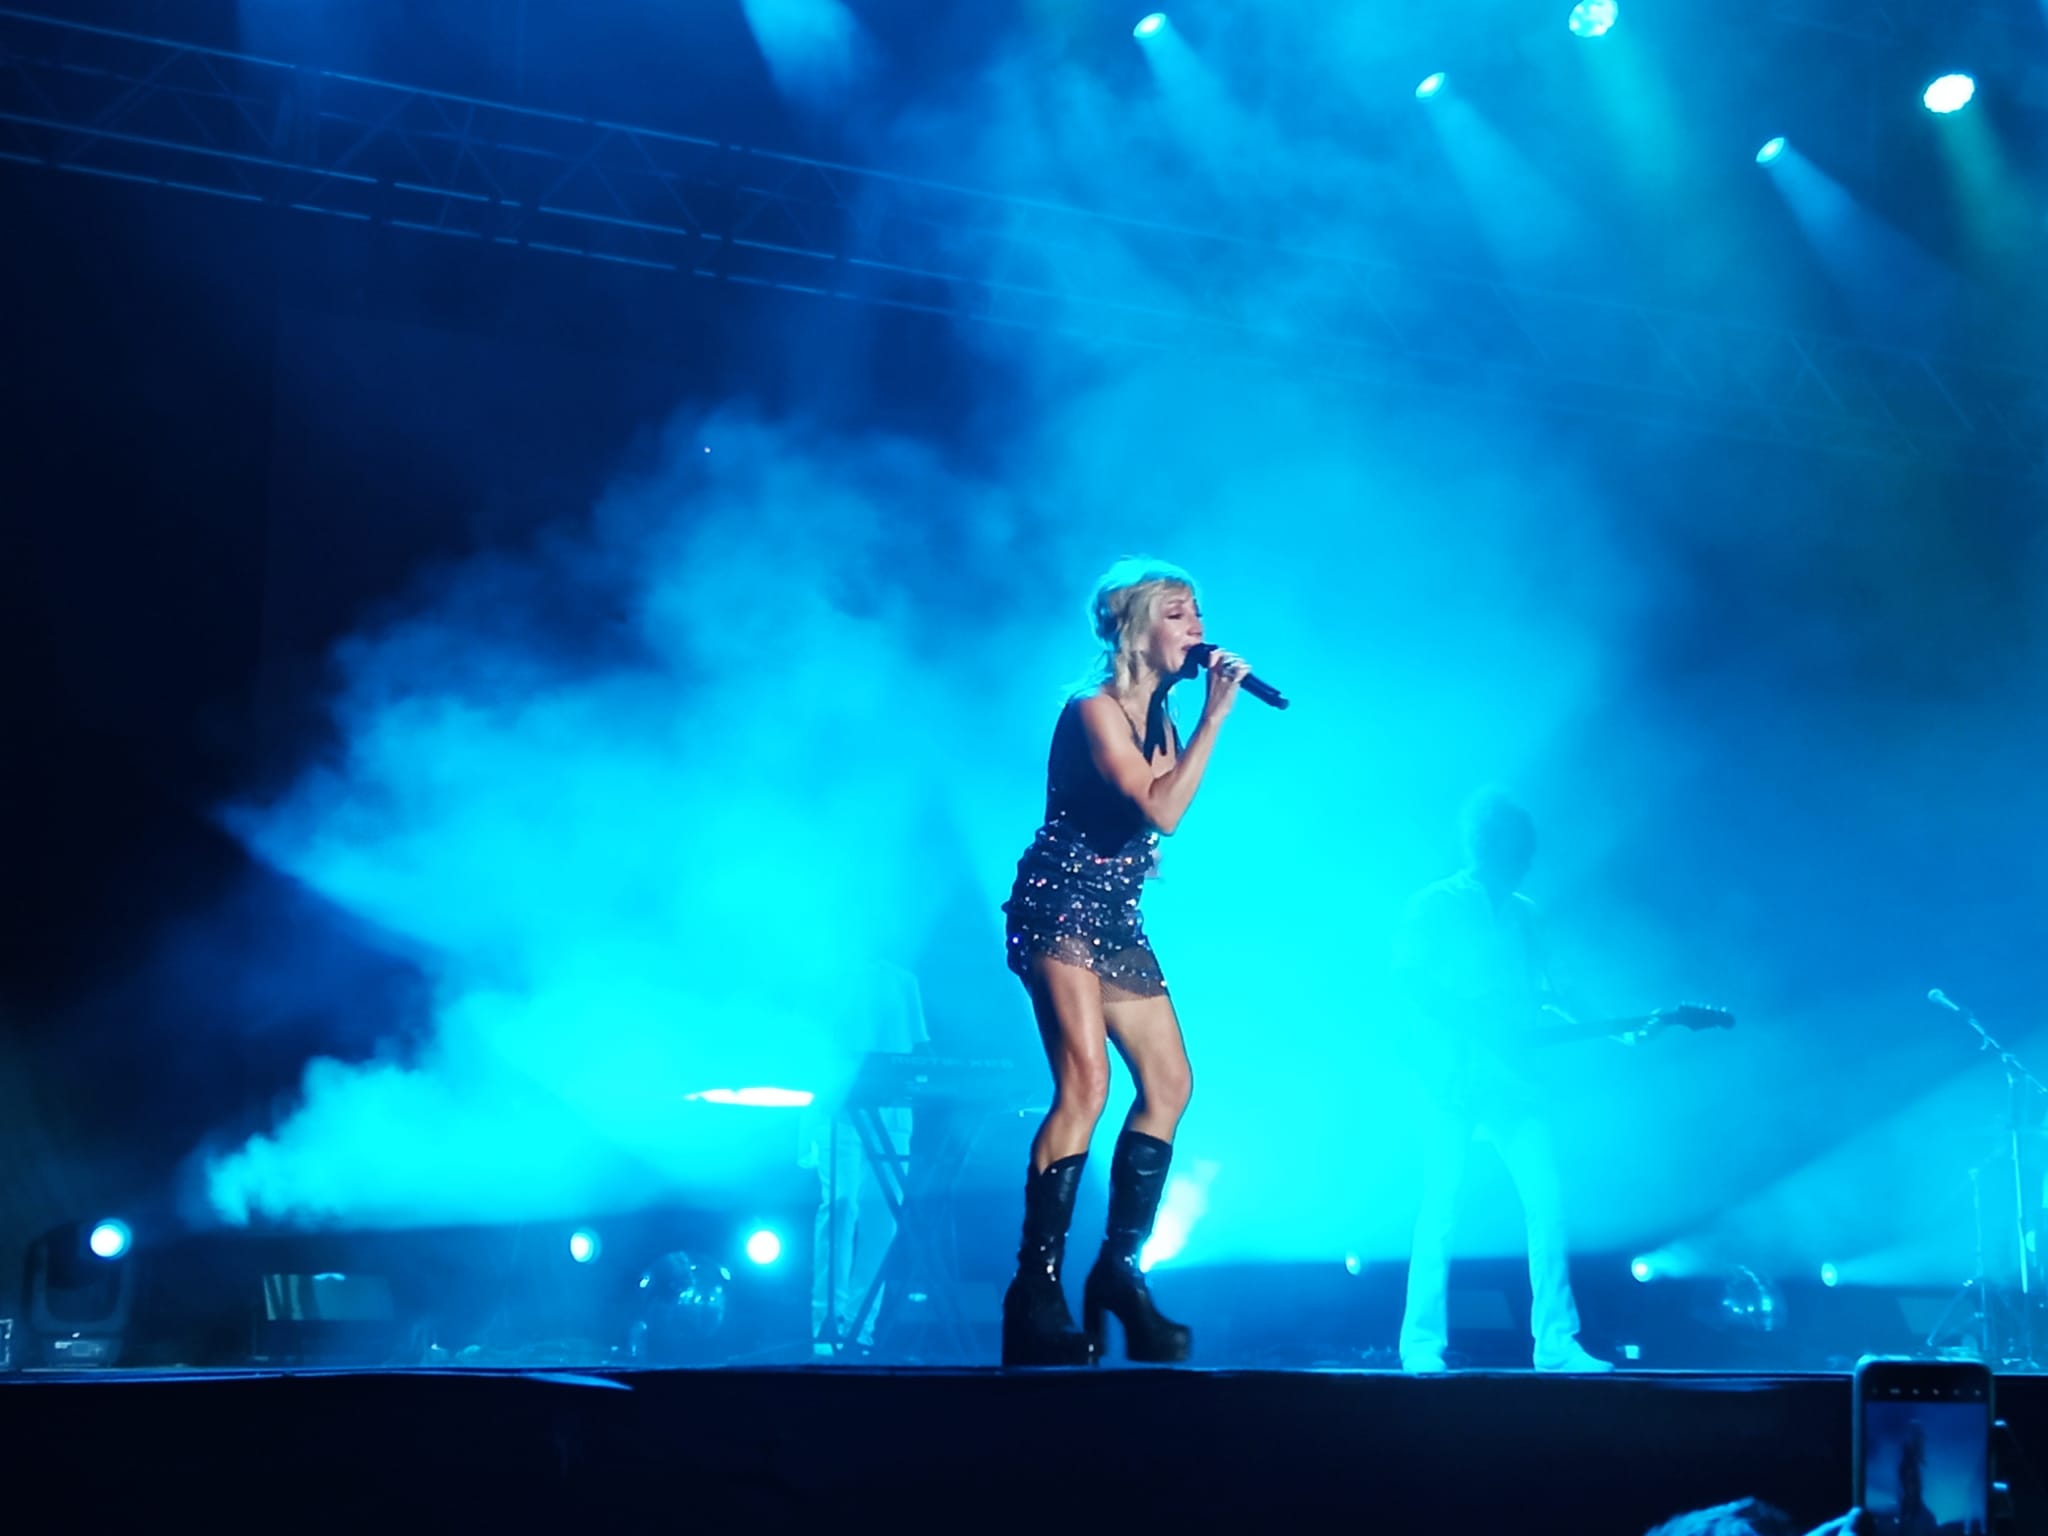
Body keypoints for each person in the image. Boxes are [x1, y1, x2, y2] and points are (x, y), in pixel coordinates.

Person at [996, 557, 1251, 1367]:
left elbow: (1154, 819)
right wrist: (1216, 716)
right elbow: (1162, 810)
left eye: (1198, 612)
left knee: (1170, 1084)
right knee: (1086, 1086)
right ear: (1137, 628)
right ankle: (1034, 1291)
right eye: (1178, 613)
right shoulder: (1094, 710)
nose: (1197, 628)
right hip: (1057, 909)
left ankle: (1117, 1273)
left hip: (1114, 920)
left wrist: (1188, 733)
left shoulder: (1160, 720)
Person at [1393, 788, 1613, 1374]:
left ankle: (1557, 1343)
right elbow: (1409, 982)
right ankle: (1420, 1344)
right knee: (1441, 1208)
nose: (1524, 862)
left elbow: (1559, 989)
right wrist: (1464, 1026)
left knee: (1547, 1203)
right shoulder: (1434, 904)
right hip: (1450, 1080)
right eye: (1516, 850)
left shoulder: (1526, 913)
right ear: (1486, 845)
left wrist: (1617, 1032)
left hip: (1514, 1084)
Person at [799, 965, 929, 1356]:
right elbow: (812, 1046)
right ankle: (828, 1322)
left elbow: (920, 1050)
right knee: (840, 1206)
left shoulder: (904, 980)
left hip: (894, 1115)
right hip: (839, 1111)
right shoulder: (833, 973)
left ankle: (861, 1327)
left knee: (882, 1221)